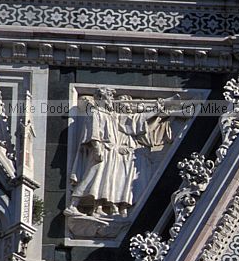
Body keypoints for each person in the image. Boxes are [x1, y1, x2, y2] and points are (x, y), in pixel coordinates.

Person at [68, 88, 176, 217]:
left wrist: (158, 107)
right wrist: (97, 149)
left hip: (111, 152)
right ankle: (72, 205)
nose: (111, 100)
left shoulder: (111, 115)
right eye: (109, 97)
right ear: (101, 99)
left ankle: (97, 208)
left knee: (104, 181)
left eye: (111, 98)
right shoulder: (95, 113)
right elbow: (94, 133)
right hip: (102, 151)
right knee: (91, 176)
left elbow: (136, 120)